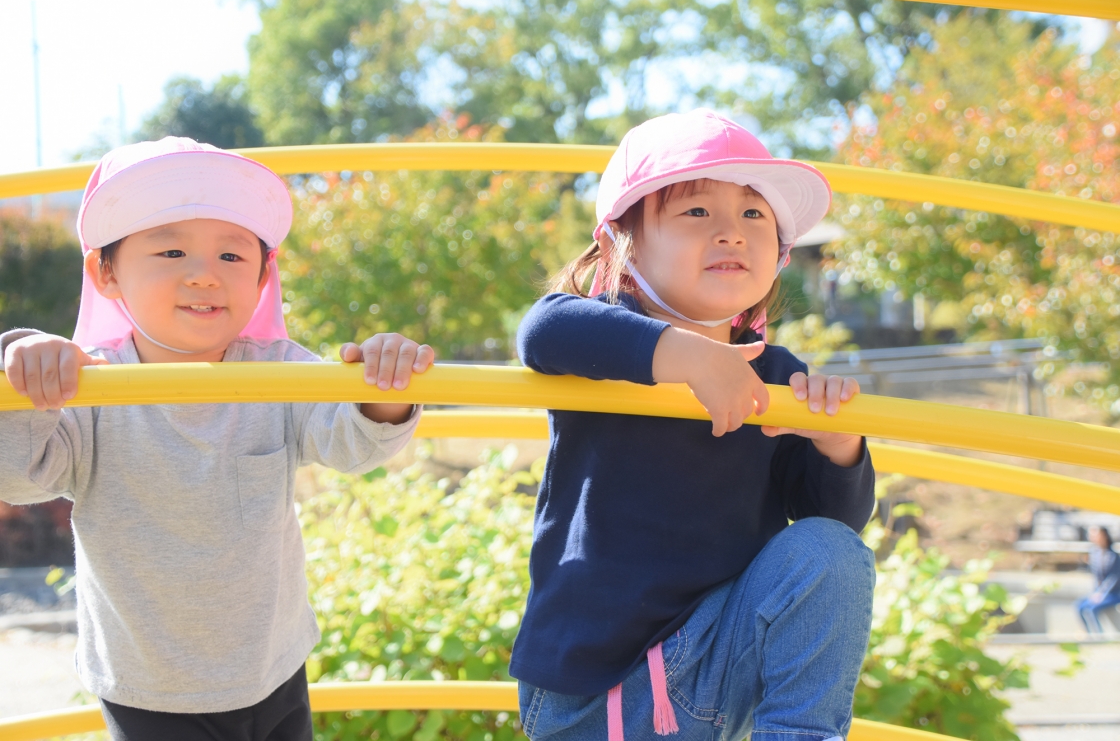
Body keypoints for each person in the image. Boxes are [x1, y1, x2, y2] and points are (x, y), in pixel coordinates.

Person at [0, 137, 433, 741]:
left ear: (262, 278)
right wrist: (25, 378)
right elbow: (19, 476)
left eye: (232, 257)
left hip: (273, 669)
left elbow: (352, 443)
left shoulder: (277, 370)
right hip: (150, 686)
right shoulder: (91, 384)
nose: (204, 275)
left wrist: (384, 383)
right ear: (106, 272)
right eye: (172, 250)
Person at [512, 110, 876, 741]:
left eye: (754, 215)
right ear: (618, 246)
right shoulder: (602, 342)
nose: (732, 234)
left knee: (830, 551)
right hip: (594, 689)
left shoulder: (779, 375)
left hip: (715, 665)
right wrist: (681, 354)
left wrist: (837, 441)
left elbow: (831, 523)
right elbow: (543, 329)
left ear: (781, 255)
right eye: (697, 213)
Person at [1075, 526, 1120, 635]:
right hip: (1098, 592)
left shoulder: (1114, 556)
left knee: (1091, 609)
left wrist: (1101, 594)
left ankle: (1098, 636)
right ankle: (1088, 633)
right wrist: (1095, 593)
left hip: (1113, 594)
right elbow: (1096, 577)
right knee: (1079, 606)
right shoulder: (1095, 553)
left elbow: (1114, 579)